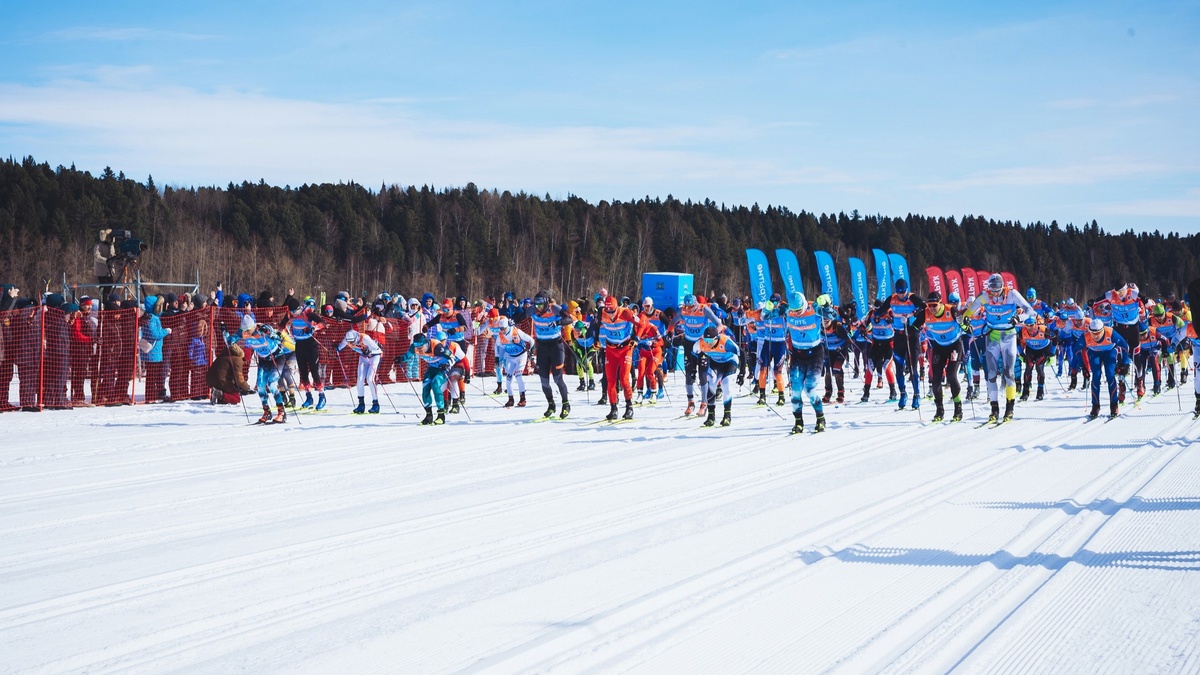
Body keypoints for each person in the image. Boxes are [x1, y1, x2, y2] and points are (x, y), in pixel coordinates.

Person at [965, 273, 1034, 422]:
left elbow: (1030, 311)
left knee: (1008, 373)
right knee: (991, 374)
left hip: (1009, 336)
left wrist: (1018, 318)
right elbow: (969, 311)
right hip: (993, 337)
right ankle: (994, 409)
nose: (995, 294)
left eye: (997, 290)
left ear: (1003, 287)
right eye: (992, 290)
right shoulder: (985, 295)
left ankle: (1009, 408)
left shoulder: (1012, 294)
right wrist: (966, 319)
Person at [913, 291, 964, 422]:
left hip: (954, 346)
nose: (932, 308)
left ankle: (958, 408)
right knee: (936, 379)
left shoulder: (951, 310)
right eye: (929, 305)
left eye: (934, 305)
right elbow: (913, 327)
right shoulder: (926, 313)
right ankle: (939, 410)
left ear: (940, 303)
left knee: (951, 375)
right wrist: (909, 325)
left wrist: (965, 323)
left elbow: (965, 326)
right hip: (939, 347)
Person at [671, 294, 723, 415]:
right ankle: (690, 403)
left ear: (695, 304)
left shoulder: (703, 309)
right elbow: (673, 322)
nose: (688, 309)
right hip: (689, 344)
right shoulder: (683, 310)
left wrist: (712, 336)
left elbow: (719, 324)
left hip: (702, 345)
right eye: (686, 306)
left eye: (691, 306)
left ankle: (704, 403)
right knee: (689, 374)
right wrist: (670, 334)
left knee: (702, 374)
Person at [877, 278, 923, 410]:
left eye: (903, 292)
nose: (901, 295)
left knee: (913, 367)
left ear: (907, 290)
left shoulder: (913, 297)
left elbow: (924, 308)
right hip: (898, 336)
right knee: (899, 367)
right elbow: (881, 310)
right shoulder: (892, 298)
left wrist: (912, 315)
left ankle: (916, 394)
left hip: (912, 334)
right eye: (899, 293)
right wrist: (878, 314)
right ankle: (903, 393)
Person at [784, 292, 826, 433]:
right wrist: (767, 308)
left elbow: (831, 314)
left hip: (815, 353)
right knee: (795, 391)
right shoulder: (787, 310)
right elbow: (765, 316)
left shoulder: (814, 308)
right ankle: (798, 422)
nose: (796, 313)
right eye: (793, 310)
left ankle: (820, 419)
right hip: (798, 354)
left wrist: (826, 302)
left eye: (798, 310)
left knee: (809, 389)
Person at [529, 292, 572, 419]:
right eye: (536, 305)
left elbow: (569, 319)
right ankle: (551, 404)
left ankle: (566, 404)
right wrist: (512, 321)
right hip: (542, 347)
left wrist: (559, 323)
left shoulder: (554, 308)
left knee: (557, 379)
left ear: (546, 302)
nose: (539, 308)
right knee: (544, 381)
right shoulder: (533, 310)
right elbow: (519, 315)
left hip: (556, 347)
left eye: (541, 305)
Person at [1083, 317, 1130, 419]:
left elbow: (1124, 346)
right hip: (1094, 352)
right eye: (1093, 333)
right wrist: (1083, 367)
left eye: (1098, 333)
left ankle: (1114, 405)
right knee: (1096, 375)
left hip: (1109, 352)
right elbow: (1076, 350)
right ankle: (1095, 405)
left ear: (1103, 329)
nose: (1095, 336)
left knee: (1110, 374)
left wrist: (1125, 362)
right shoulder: (1086, 336)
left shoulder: (1110, 332)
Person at [694, 325, 739, 426]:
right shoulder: (700, 343)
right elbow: (694, 354)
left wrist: (742, 373)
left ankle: (727, 416)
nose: (708, 343)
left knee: (725, 385)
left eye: (710, 341)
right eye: (706, 340)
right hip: (715, 364)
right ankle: (711, 416)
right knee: (711, 385)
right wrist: (693, 368)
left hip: (729, 363)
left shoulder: (726, 342)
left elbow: (742, 353)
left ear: (716, 338)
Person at [408, 332, 454, 425]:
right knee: (425, 388)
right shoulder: (415, 347)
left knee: (435, 385)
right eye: (417, 346)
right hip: (431, 369)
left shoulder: (437, 347)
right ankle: (428, 416)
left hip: (442, 369)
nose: (419, 349)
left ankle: (441, 416)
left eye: (421, 346)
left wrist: (447, 365)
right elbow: (407, 355)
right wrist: (400, 359)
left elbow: (453, 357)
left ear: (426, 343)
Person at [338, 328, 383, 414]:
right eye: (349, 342)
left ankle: (375, 404)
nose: (351, 344)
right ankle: (361, 405)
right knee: (360, 380)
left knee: (370, 379)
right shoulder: (348, 338)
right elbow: (341, 346)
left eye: (352, 342)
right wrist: (337, 348)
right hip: (363, 357)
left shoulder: (364, 338)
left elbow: (378, 350)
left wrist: (369, 351)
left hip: (374, 357)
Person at [140, 295, 172, 402]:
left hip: (155, 351)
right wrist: (165, 331)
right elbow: (155, 334)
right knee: (151, 376)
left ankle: (152, 395)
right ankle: (150, 397)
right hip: (153, 352)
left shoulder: (151, 317)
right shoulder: (151, 319)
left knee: (153, 375)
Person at [496, 316, 534, 408]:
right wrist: (497, 358)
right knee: (508, 379)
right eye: (500, 329)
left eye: (504, 329)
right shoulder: (500, 336)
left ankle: (522, 399)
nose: (502, 331)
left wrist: (531, 352)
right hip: (510, 358)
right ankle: (510, 399)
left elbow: (531, 340)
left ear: (507, 326)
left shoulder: (516, 332)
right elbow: (497, 347)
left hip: (521, 356)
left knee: (518, 376)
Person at [1017, 315, 1053, 401]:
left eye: (1032, 325)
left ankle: (1040, 391)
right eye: (1027, 325)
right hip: (1031, 350)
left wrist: (1052, 354)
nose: (1030, 328)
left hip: (1043, 350)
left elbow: (1054, 339)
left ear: (1036, 324)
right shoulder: (1023, 331)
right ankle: (1025, 392)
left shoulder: (1043, 329)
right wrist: (1021, 353)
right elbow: (1018, 342)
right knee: (1028, 368)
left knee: (1039, 368)